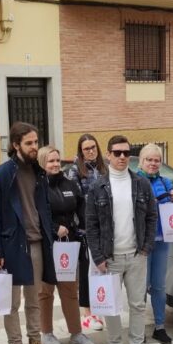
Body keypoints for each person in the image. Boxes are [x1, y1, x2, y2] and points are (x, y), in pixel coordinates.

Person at [0, 121, 57, 344]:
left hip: (37, 243)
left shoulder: (39, 173)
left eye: (36, 142)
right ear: (16, 145)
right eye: (29, 143)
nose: (34, 147)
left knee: (34, 300)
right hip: (12, 246)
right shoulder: (1, 175)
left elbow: (44, 208)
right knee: (12, 303)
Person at [85, 135, 158, 344]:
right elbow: (91, 225)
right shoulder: (97, 187)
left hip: (137, 255)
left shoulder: (141, 184)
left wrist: (146, 247)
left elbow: (151, 217)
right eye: (117, 153)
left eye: (127, 152)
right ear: (108, 155)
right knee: (111, 306)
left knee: (137, 305)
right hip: (110, 257)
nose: (123, 157)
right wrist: (98, 256)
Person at [38, 145, 95, 344]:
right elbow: (36, 214)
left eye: (57, 160)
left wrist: (82, 228)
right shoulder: (37, 187)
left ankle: (76, 333)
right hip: (46, 245)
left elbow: (81, 207)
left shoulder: (69, 183)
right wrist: (54, 228)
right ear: (42, 163)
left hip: (68, 245)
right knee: (45, 291)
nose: (55, 164)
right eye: (50, 161)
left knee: (70, 290)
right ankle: (47, 333)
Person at [138, 143, 173, 344]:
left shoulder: (165, 182)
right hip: (142, 243)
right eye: (149, 160)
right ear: (141, 161)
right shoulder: (135, 181)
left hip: (162, 240)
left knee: (159, 286)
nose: (153, 163)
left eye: (157, 160)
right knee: (140, 287)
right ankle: (138, 330)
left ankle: (160, 327)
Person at [64, 133, 106, 333]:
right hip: (85, 227)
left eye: (93, 147)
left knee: (101, 268)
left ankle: (100, 307)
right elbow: (74, 199)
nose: (90, 151)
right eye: (86, 149)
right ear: (80, 152)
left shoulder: (105, 167)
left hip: (105, 226)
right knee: (86, 269)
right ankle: (87, 312)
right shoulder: (74, 170)